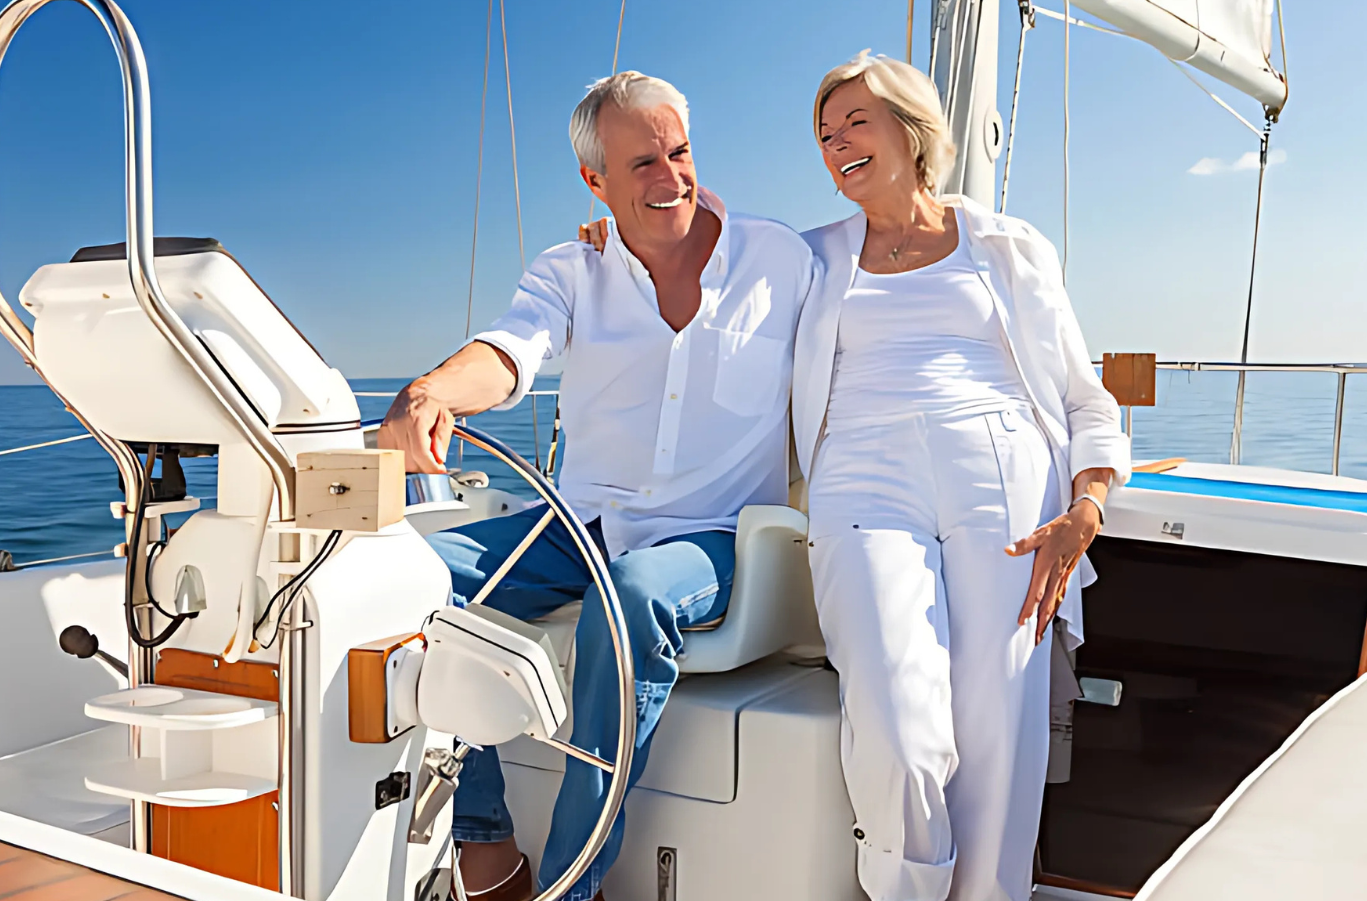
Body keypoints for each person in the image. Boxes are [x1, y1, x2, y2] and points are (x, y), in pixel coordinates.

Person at [378, 70, 812, 901]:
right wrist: (431, 392)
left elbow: (886, 267)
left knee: (634, 597)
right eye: (642, 163)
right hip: (577, 525)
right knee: (408, 581)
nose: (670, 178)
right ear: (594, 180)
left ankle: (572, 889)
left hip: (711, 536)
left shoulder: (782, 259)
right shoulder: (571, 269)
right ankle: (485, 847)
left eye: (679, 153)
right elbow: (509, 351)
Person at [792, 52, 1129, 901]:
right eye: (825, 135)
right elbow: (701, 264)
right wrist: (611, 243)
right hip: (862, 472)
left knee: (996, 731)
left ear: (912, 130)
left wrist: (1086, 505)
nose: (837, 146)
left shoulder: (1009, 246)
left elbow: (1083, 393)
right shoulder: (807, 258)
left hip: (1004, 469)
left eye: (855, 124)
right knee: (897, 723)